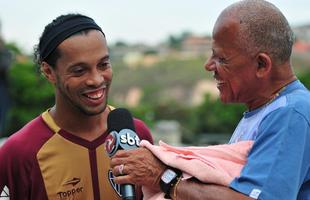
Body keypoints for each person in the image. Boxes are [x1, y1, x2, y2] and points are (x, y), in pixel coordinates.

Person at [110, 0, 310, 199]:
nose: (208, 65)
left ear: (261, 64)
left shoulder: (290, 113)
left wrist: (162, 176)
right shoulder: (265, 110)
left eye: (221, 59)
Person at [0, 13, 153, 200]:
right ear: (49, 72)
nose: (96, 79)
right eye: (79, 71)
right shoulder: (19, 152)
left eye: (103, 64)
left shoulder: (136, 134)